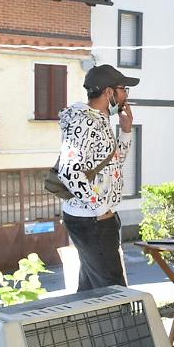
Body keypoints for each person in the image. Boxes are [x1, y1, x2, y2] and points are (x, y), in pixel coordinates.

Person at [56, 64, 138, 290]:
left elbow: (113, 162)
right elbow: (69, 170)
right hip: (92, 220)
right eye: (123, 90)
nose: (126, 95)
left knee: (92, 290)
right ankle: (124, 324)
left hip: (96, 218)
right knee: (113, 291)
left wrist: (126, 130)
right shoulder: (85, 121)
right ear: (109, 92)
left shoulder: (100, 120)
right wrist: (100, 209)